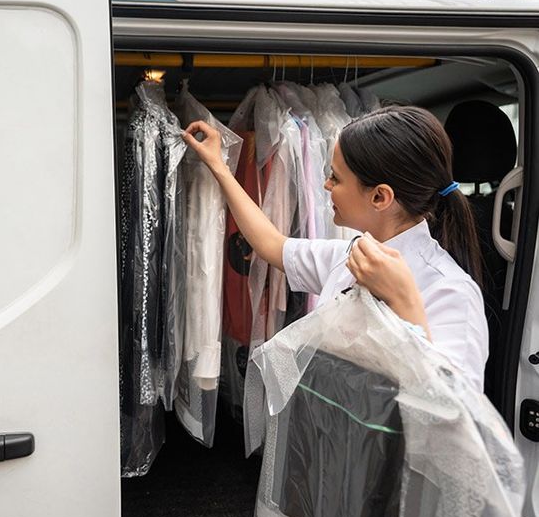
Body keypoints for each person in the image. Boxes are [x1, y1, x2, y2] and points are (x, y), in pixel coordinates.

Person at [181, 105, 488, 391]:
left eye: (336, 178)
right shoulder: (348, 257)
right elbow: (270, 244)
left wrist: (404, 302)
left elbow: (457, 420)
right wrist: (217, 165)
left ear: (380, 197)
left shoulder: (450, 292)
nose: (326, 186)